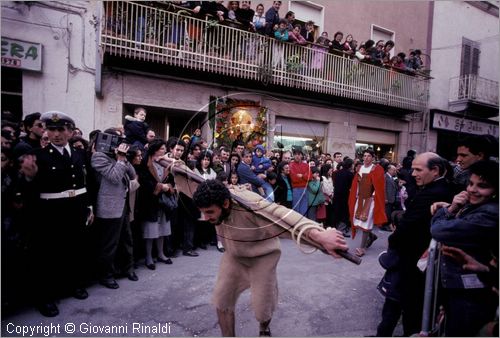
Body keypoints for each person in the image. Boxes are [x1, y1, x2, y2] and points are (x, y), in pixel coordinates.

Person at [185, 178, 348, 336]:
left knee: (263, 309)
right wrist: (173, 163)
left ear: (225, 204)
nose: (205, 218)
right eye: (203, 212)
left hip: (262, 258)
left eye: (209, 212)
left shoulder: (251, 205)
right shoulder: (214, 197)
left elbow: (281, 214)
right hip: (234, 257)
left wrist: (319, 235)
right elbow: (185, 177)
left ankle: (264, 328)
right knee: (221, 301)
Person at [19, 111, 94, 317]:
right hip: (50, 213)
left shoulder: (80, 154)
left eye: (61, 129)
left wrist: (89, 207)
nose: (56, 134)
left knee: (74, 251)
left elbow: (85, 184)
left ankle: (73, 285)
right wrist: (29, 178)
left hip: (76, 210)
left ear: (70, 132)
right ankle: (46, 298)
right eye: (51, 130)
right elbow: (28, 190)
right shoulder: (38, 155)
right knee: (48, 256)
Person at [384, 152, 453, 336]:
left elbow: (406, 227)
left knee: (412, 309)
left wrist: (393, 237)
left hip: (415, 262)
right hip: (419, 260)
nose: (413, 174)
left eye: (418, 170)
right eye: (412, 169)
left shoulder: (433, 193)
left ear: (436, 170)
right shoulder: (436, 189)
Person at [430, 160, 498, 337]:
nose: (472, 190)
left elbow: (438, 230)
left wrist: (449, 210)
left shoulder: (490, 213)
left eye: (482, 186)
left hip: (472, 297)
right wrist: (450, 207)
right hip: (462, 291)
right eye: (470, 183)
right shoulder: (478, 206)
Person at [91, 131, 138, 289]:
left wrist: (122, 157)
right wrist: (120, 159)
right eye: (117, 140)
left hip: (123, 205)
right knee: (109, 244)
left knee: (127, 239)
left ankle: (128, 269)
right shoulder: (98, 157)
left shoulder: (118, 157)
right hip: (109, 207)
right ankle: (106, 275)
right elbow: (114, 176)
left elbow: (132, 174)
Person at [136, 139, 174, 269]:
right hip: (150, 201)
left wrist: (168, 187)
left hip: (164, 202)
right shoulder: (145, 163)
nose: (165, 151)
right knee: (150, 230)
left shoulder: (165, 163)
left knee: (162, 229)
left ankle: (161, 253)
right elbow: (143, 181)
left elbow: (172, 180)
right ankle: (148, 256)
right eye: (162, 148)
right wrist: (159, 186)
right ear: (155, 149)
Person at [348, 149, 386, 257]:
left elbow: (379, 186)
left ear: (373, 158)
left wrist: (373, 196)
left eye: (369, 156)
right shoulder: (360, 168)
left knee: (366, 222)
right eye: (364, 156)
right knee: (358, 221)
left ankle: (362, 248)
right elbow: (357, 183)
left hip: (370, 199)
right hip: (360, 198)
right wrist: (355, 194)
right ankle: (371, 236)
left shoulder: (377, 169)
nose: (366, 158)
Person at [332, 158, 354, 237]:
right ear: (350, 165)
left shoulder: (337, 173)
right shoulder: (350, 174)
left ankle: (335, 229)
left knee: (337, 212)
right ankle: (341, 231)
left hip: (337, 195)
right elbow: (352, 186)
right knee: (344, 213)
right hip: (345, 196)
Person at [289, 147, 311, 216]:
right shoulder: (291, 165)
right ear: (293, 155)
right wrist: (304, 176)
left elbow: (310, 177)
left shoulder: (306, 165)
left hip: (305, 189)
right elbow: (294, 178)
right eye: (295, 154)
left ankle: (302, 225)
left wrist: (302, 176)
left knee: (304, 210)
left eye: (299, 154)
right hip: (296, 189)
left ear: (302, 155)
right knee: (296, 209)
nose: (297, 156)